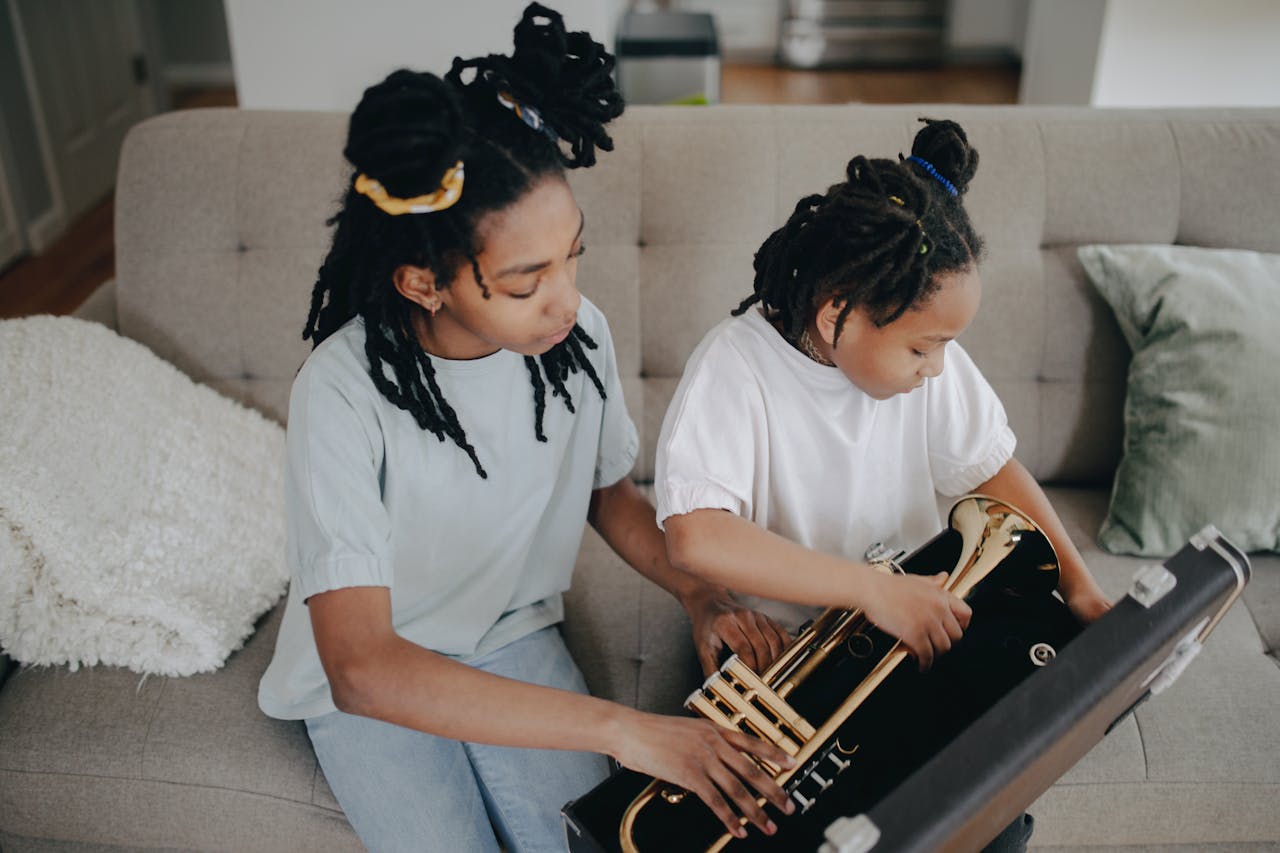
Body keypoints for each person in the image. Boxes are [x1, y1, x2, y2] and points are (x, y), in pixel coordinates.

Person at [257, 6, 796, 851]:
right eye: (525, 280)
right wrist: (628, 729)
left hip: (512, 634)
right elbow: (360, 667)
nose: (567, 297)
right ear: (423, 282)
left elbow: (606, 492)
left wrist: (701, 591)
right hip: (383, 669)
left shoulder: (577, 340)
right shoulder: (340, 392)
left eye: (573, 255)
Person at [654, 118, 1113, 851]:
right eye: (922, 348)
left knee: (985, 803)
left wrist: (1082, 587)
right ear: (837, 312)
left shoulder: (932, 361)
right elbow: (695, 534)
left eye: (947, 347)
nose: (937, 367)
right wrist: (870, 589)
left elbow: (991, 467)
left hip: (908, 628)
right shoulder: (734, 367)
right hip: (788, 656)